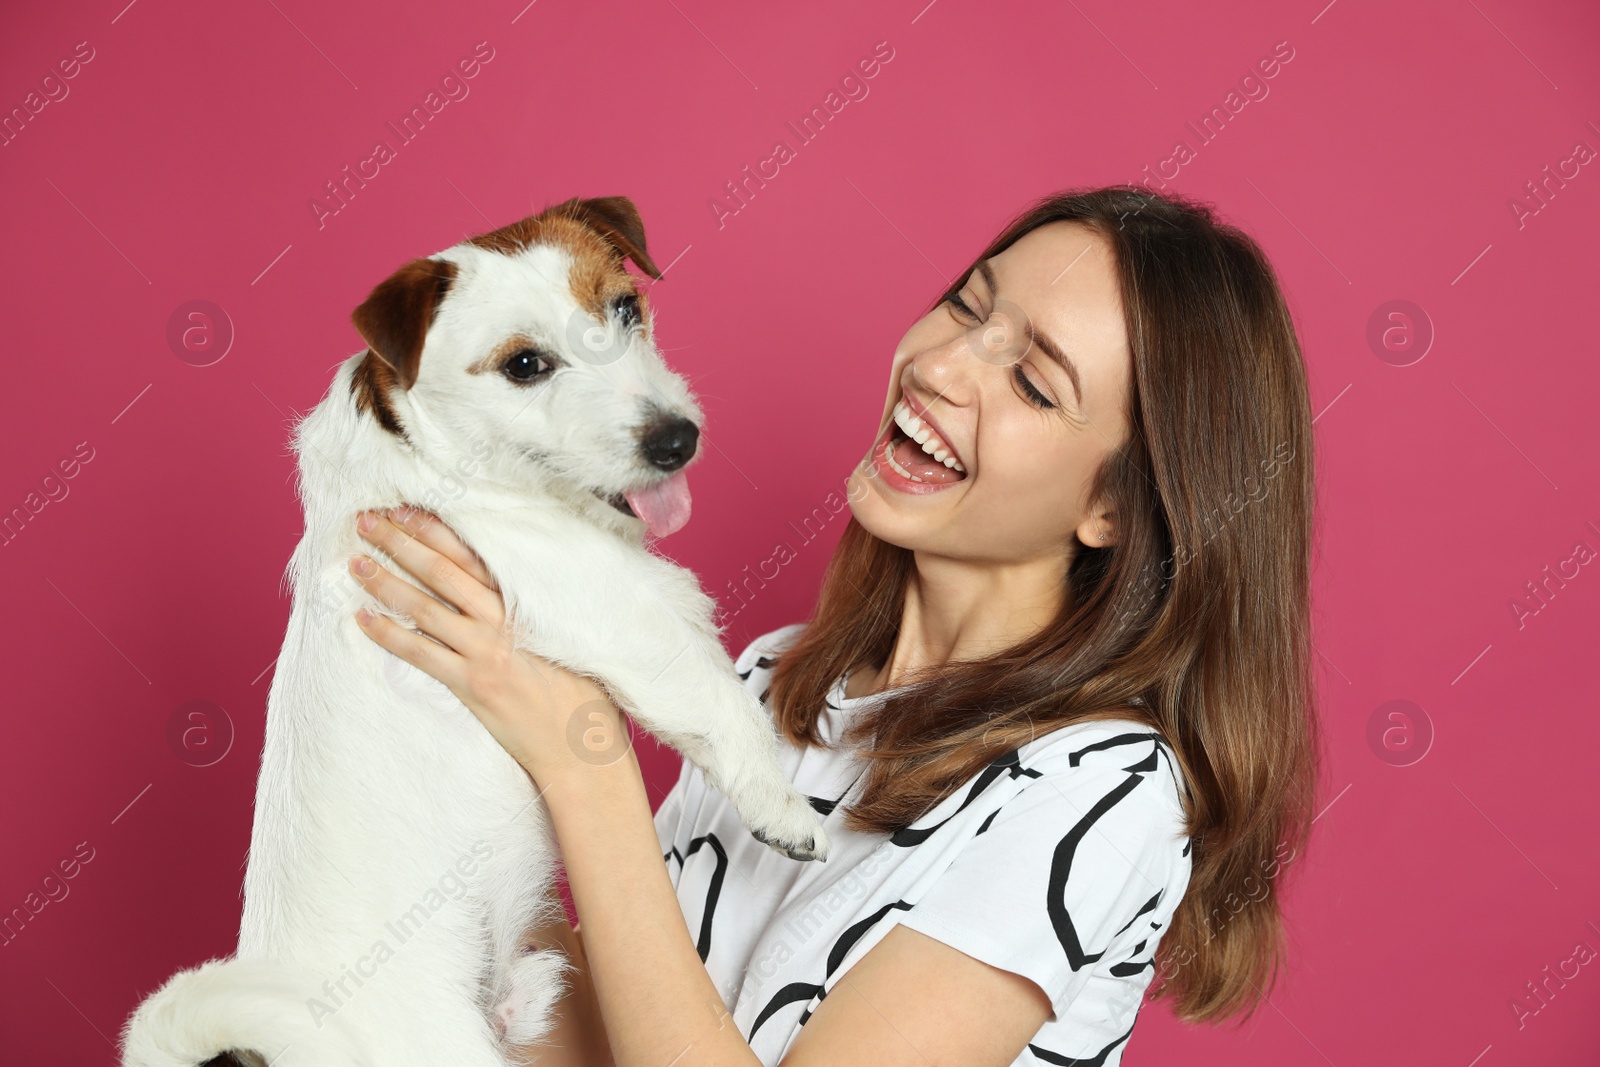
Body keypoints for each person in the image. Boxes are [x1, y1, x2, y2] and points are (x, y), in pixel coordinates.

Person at [344, 185, 1321, 1066]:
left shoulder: (1106, 793)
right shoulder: (780, 681)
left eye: (1032, 383)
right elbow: (619, 1043)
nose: (940, 365)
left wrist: (580, 758)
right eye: (968, 307)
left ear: (1115, 508)